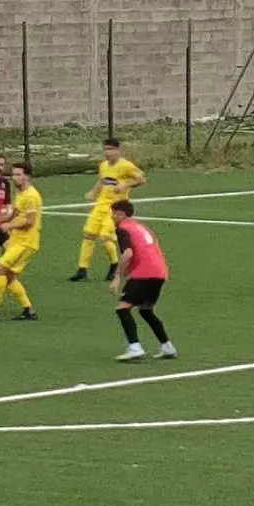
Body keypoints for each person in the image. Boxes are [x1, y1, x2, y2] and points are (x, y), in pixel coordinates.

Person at [109, 201, 176, 362]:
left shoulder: (123, 228)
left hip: (144, 273)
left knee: (122, 309)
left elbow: (128, 254)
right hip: (159, 272)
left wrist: (118, 276)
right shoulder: (140, 227)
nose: (111, 217)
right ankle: (167, 347)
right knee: (146, 310)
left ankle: (135, 348)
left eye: (113, 213)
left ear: (121, 214)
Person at [71, 138, 144, 283]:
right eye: (105, 149)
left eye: (110, 149)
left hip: (115, 209)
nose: (107, 153)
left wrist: (124, 185)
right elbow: (101, 181)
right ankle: (82, 270)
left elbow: (141, 179)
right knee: (88, 235)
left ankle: (114, 264)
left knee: (105, 237)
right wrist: (93, 192)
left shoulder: (126, 166)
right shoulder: (103, 165)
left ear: (118, 150)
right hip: (100, 205)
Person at [0, 161, 41, 322]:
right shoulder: (20, 193)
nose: (15, 178)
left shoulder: (32, 196)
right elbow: (14, 213)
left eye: (19, 174)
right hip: (17, 240)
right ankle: (28, 310)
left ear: (27, 176)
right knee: (9, 276)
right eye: (13, 174)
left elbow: (30, 221)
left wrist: (8, 225)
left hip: (26, 242)